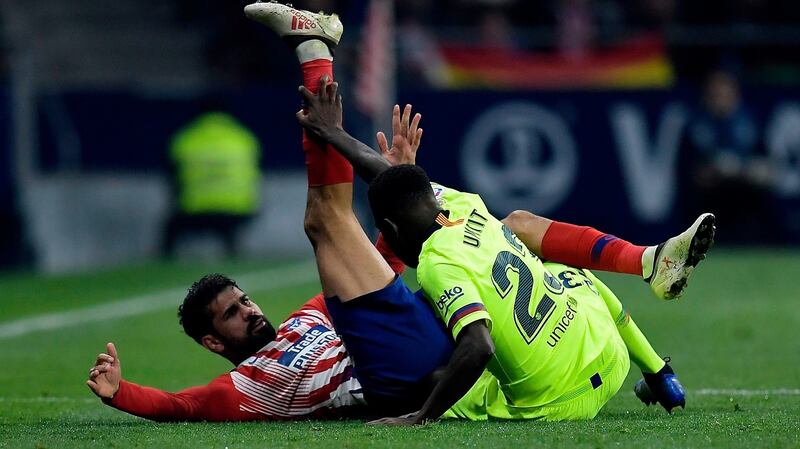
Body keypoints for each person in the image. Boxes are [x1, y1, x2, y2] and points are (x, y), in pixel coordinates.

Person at [86, 2, 711, 423]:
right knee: (327, 223)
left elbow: (385, 265)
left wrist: (402, 182)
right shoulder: (255, 382)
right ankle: (315, 52)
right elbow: (185, 406)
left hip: (426, 347)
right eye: (232, 312)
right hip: (412, 374)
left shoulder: (312, 314)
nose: (248, 308)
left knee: (498, 225)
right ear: (211, 340)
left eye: (242, 298)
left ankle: (649, 259)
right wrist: (125, 398)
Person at [163, 101, 262, 257]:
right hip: (238, 210)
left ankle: (164, 263)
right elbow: (255, 175)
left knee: (170, 229)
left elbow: (173, 178)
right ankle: (234, 255)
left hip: (195, 209)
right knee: (228, 228)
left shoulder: (185, 138)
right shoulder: (244, 138)